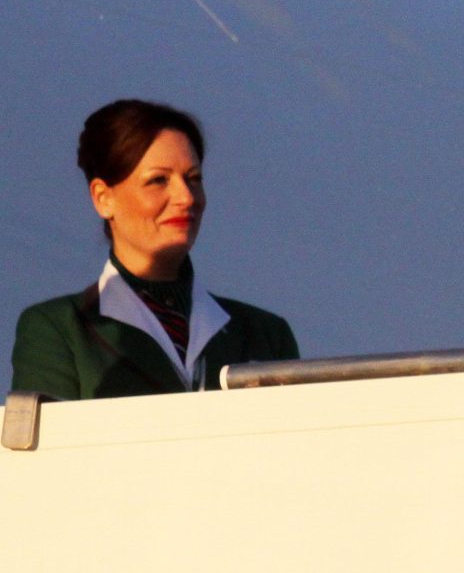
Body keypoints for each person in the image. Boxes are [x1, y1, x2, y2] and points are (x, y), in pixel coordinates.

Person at [11, 99, 298, 400]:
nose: (186, 197)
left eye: (194, 179)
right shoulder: (61, 330)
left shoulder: (265, 334)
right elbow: (50, 431)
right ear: (103, 198)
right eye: (158, 180)